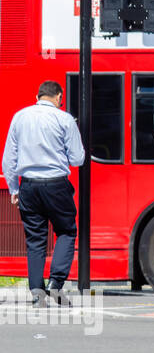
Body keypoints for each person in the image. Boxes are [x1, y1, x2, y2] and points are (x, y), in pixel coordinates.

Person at [3, 81, 85, 306]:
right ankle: (55, 285)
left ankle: (37, 294)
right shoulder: (64, 119)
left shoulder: (20, 117)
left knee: (35, 240)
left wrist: (14, 189)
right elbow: (78, 158)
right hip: (56, 184)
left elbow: (9, 158)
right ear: (59, 96)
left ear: (37, 95)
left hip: (28, 185)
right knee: (66, 231)